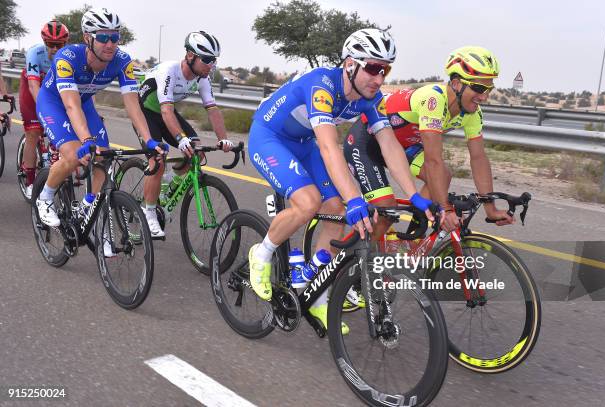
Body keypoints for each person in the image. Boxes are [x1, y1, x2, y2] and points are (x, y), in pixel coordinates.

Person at [247, 28, 434, 333]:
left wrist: (413, 195)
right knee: (308, 202)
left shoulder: (369, 99)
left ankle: (318, 298)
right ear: (350, 64)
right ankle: (263, 252)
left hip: (304, 142)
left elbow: (389, 144)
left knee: (336, 210)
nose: (379, 77)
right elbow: (329, 147)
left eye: (385, 69)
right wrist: (357, 199)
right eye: (373, 68)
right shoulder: (322, 85)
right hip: (270, 138)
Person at [344, 45, 513, 238]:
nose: (484, 96)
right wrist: (446, 209)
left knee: (443, 176)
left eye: (489, 89)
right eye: (479, 88)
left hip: (402, 145)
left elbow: (478, 158)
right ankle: (356, 257)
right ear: (457, 83)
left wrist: (490, 208)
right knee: (386, 208)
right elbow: (433, 160)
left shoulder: (472, 112)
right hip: (366, 142)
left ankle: (412, 240)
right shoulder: (433, 99)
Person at [34, 8, 167, 240]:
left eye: (115, 37)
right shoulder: (67, 58)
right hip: (55, 102)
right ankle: (45, 198)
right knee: (75, 155)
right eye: (103, 37)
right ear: (87, 37)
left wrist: (149, 140)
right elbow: (70, 106)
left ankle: (89, 208)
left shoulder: (123, 61)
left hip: (84, 103)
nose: (110, 44)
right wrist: (86, 140)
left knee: (104, 159)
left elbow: (133, 105)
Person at [138, 31, 234, 237]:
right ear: (190, 56)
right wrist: (180, 139)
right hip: (146, 112)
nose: (211, 65)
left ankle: (171, 183)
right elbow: (165, 111)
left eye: (214, 60)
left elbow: (213, 110)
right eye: (207, 60)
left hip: (167, 113)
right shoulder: (169, 71)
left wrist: (223, 139)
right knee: (157, 161)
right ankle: (149, 213)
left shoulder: (202, 79)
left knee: (197, 152)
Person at [19, 20, 70, 199]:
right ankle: (31, 181)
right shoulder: (35, 53)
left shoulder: (68, 56)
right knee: (33, 133)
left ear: (65, 44)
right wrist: (45, 110)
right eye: (50, 44)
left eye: (59, 45)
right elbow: (34, 86)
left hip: (52, 89)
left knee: (63, 127)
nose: (55, 49)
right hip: (32, 89)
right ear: (44, 42)